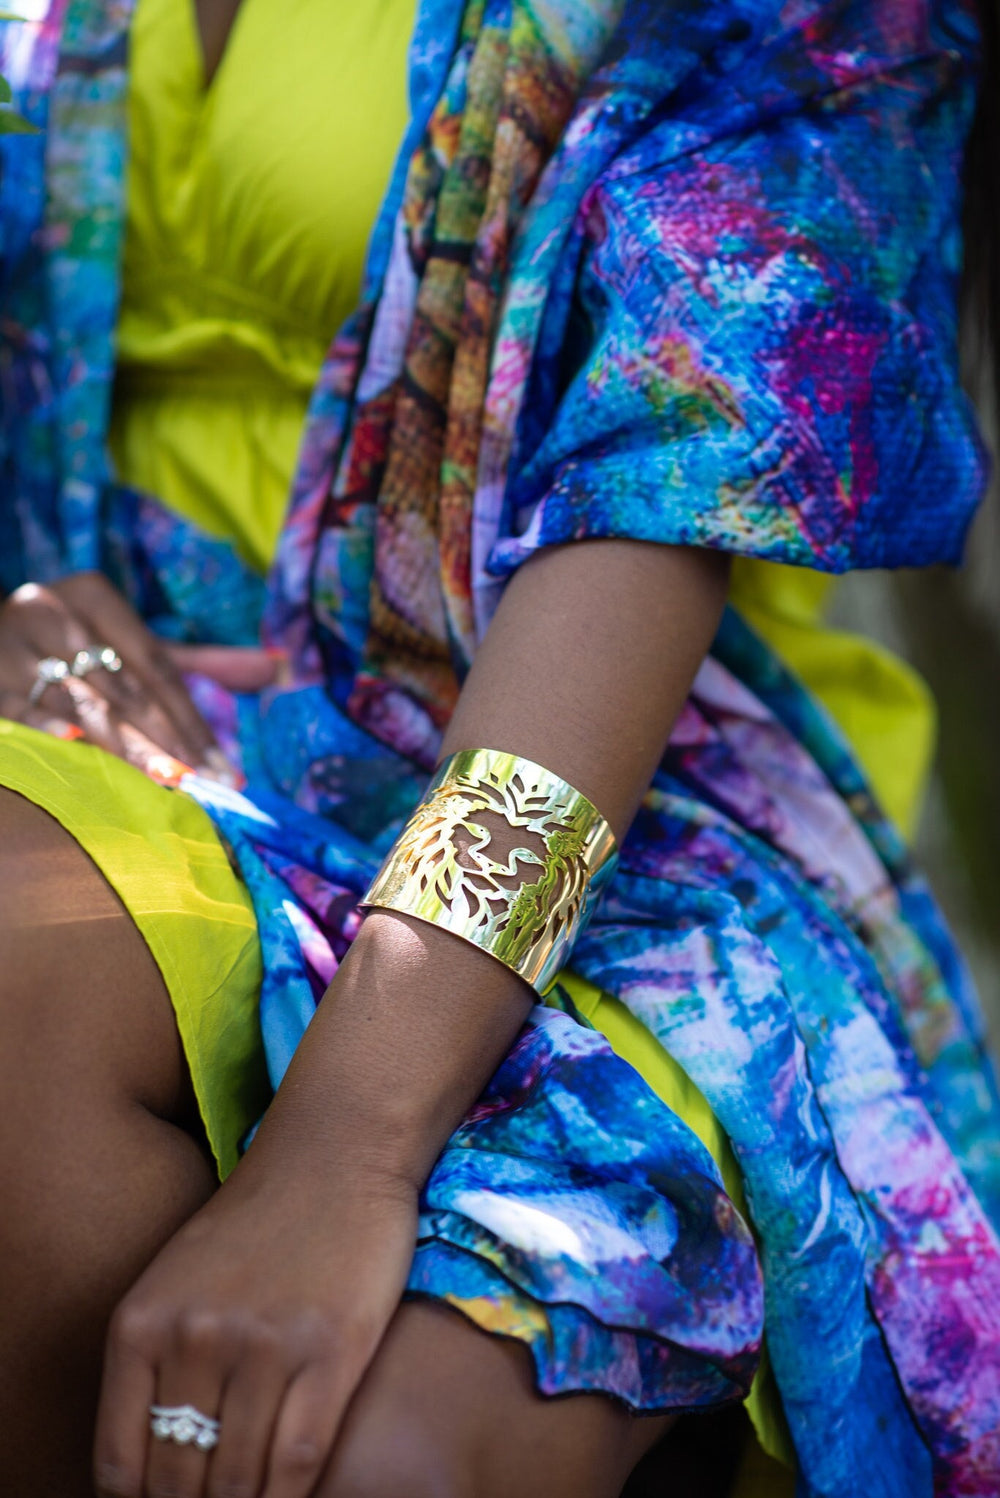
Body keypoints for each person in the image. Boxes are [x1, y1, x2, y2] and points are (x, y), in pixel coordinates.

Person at [0, 2, 998, 1497]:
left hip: (613, 782)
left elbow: (675, 467)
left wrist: (345, 1142)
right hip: (130, 705)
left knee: (392, 1445)